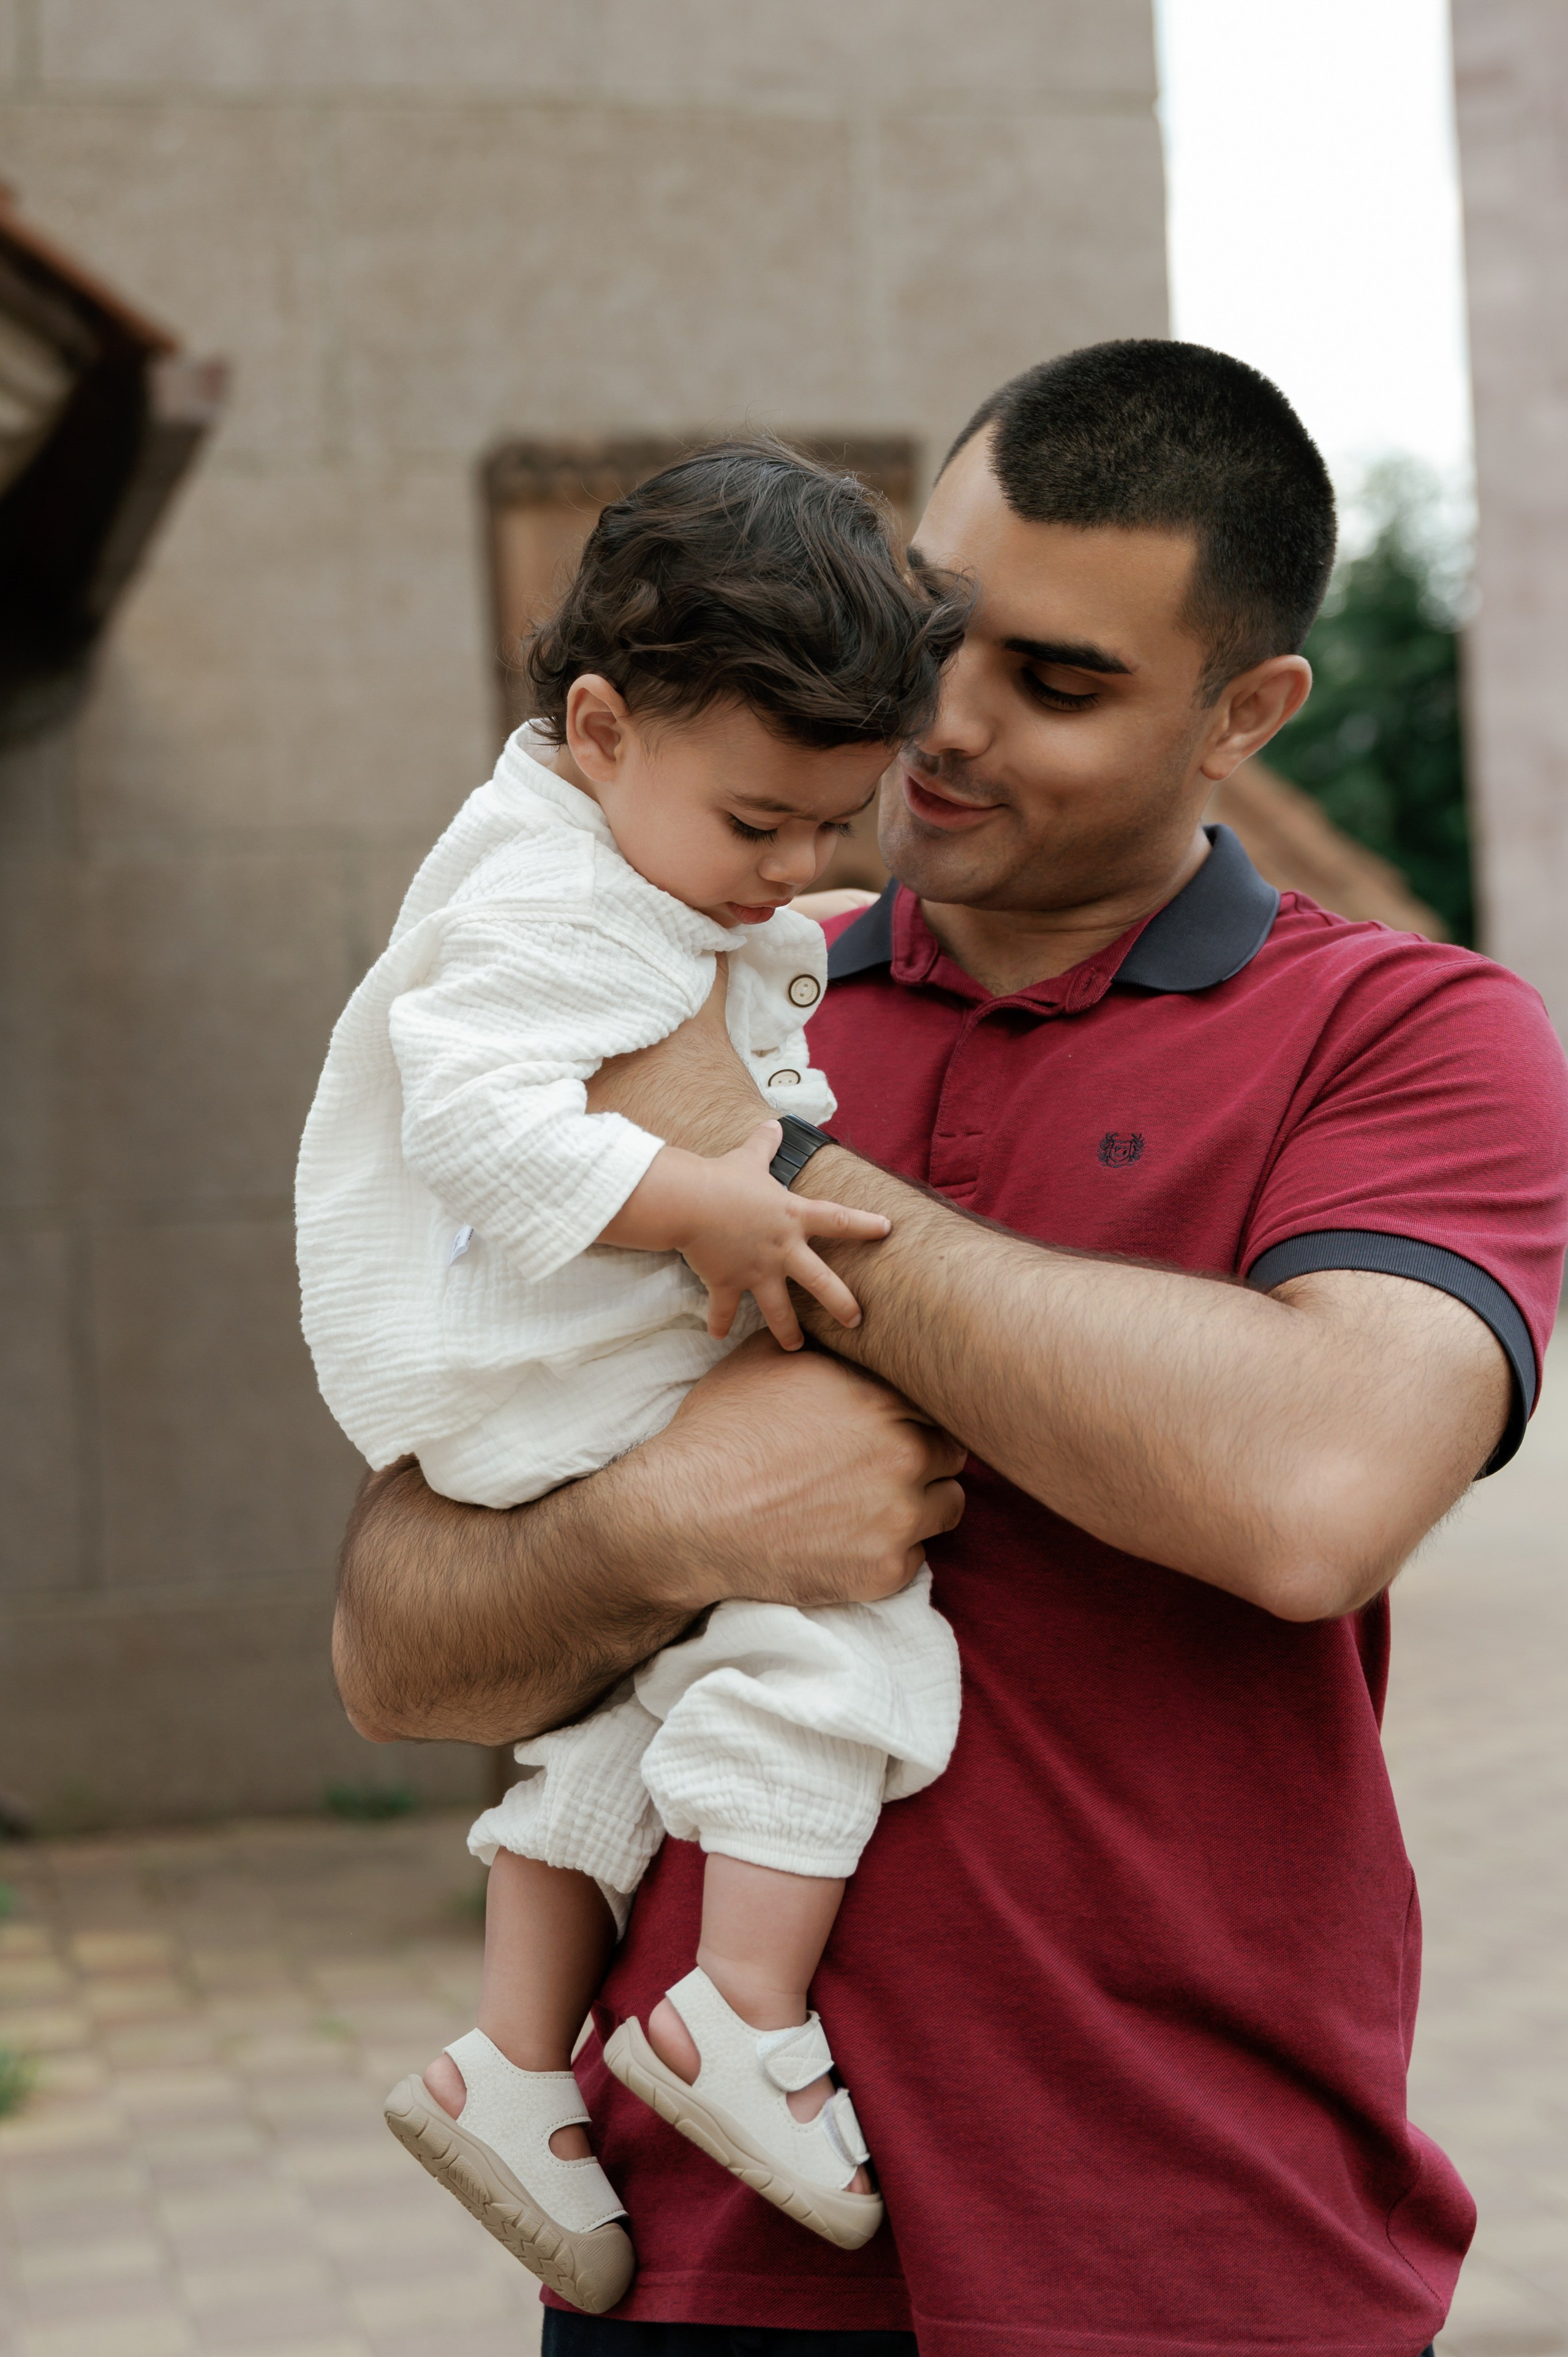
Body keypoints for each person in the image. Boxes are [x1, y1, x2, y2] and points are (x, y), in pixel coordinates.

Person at [333, 342, 1568, 2357]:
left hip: (1195, 2250)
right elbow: (395, 1653)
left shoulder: (1407, 1038)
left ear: (1246, 713)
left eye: (1059, 684)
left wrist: (756, 1156)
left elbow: (1314, 1497)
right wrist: (664, 1520)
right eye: (941, 634)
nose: (947, 726)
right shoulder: (687, 977)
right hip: (689, 2260)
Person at [296, 443, 974, 2315]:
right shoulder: (553, 896)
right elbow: (478, 1121)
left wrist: (775, 936)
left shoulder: (610, 854)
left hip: (529, 1378)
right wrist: (715, 1203)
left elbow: (716, 953)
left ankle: (515, 2068)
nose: (798, 867)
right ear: (601, 728)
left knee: (627, 1712)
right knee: (847, 1648)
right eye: (761, 822)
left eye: (834, 825)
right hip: (536, 1360)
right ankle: (736, 2015)